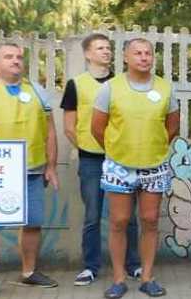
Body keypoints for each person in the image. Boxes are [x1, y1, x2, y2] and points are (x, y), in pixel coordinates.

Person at [0, 42, 60, 295]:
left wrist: (51, 166)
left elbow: (50, 129)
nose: (16, 60)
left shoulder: (37, 90)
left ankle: (29, 272)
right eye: (8, 57)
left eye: (19, 56)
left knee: (33, 223)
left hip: (33, 169)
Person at [90, 38, 180, 298]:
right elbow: (97, 128)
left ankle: (147, 277)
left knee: (150, 221)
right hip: (119, 165)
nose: (144, 57)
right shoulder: (110, 88)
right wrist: (117, 150)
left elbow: (172, 126)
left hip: (154, 165)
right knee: (119, 221)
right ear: (126, 58)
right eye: (138, 53)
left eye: (148, 53)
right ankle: (119, 279)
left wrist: (154, 147)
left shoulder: (165, 88)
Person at [61, 34, 140, 287]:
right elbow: (69, 127)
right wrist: (86, 148)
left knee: (127, 216)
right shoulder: (76, 84)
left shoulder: (123, 83)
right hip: (91, 161)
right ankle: (91, 266)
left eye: (108, 47)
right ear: (87, 54)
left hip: (122, 159)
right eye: (99, 48)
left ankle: (134, 264)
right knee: (93, 215)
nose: (106, 51)